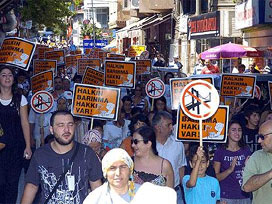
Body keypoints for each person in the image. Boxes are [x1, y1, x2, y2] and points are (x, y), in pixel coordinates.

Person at [21, 111, 103, 204]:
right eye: (61, 125)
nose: (66, 129)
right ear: (51, 129)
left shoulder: (87, 153)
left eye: (70, 124)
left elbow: (97, 189)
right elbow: (31, 186)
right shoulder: (40, 154)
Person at [83, 148, 177, 204]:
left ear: (130, 170)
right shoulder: (95, 198)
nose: (118, 173)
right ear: (105, 172)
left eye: (123, 167)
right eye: (112, 168)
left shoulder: (144, 192)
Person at [0, 66, 32, 203]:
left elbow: (25, 123)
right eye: (3, 75)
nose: (7, 78)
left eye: (10, 75)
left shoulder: (20, 99)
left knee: (12, 184)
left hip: (15, 148)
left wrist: (28, 146)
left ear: (13, 79)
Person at [152, 111, 187, 204]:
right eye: (168, 125)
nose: (172, 127)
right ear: (158, 127)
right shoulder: (148, 145)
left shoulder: (178, 145)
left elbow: (181, 170)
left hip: (175, 193)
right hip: (153, 194)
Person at [213, 120, 251, 204]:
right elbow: (216, 178)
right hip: (226, 196)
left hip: (244, 195)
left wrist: (247, 167)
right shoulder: (220, 151)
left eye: (239, 130)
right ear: (227, 133)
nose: (237, 132)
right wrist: (230, 169)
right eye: (233, 130)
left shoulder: (246, 150)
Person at [242, 120, 272, 204]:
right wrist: (270, 174)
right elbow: (246, 187)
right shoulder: (256, 157)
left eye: (262, 137)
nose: (259, 141)